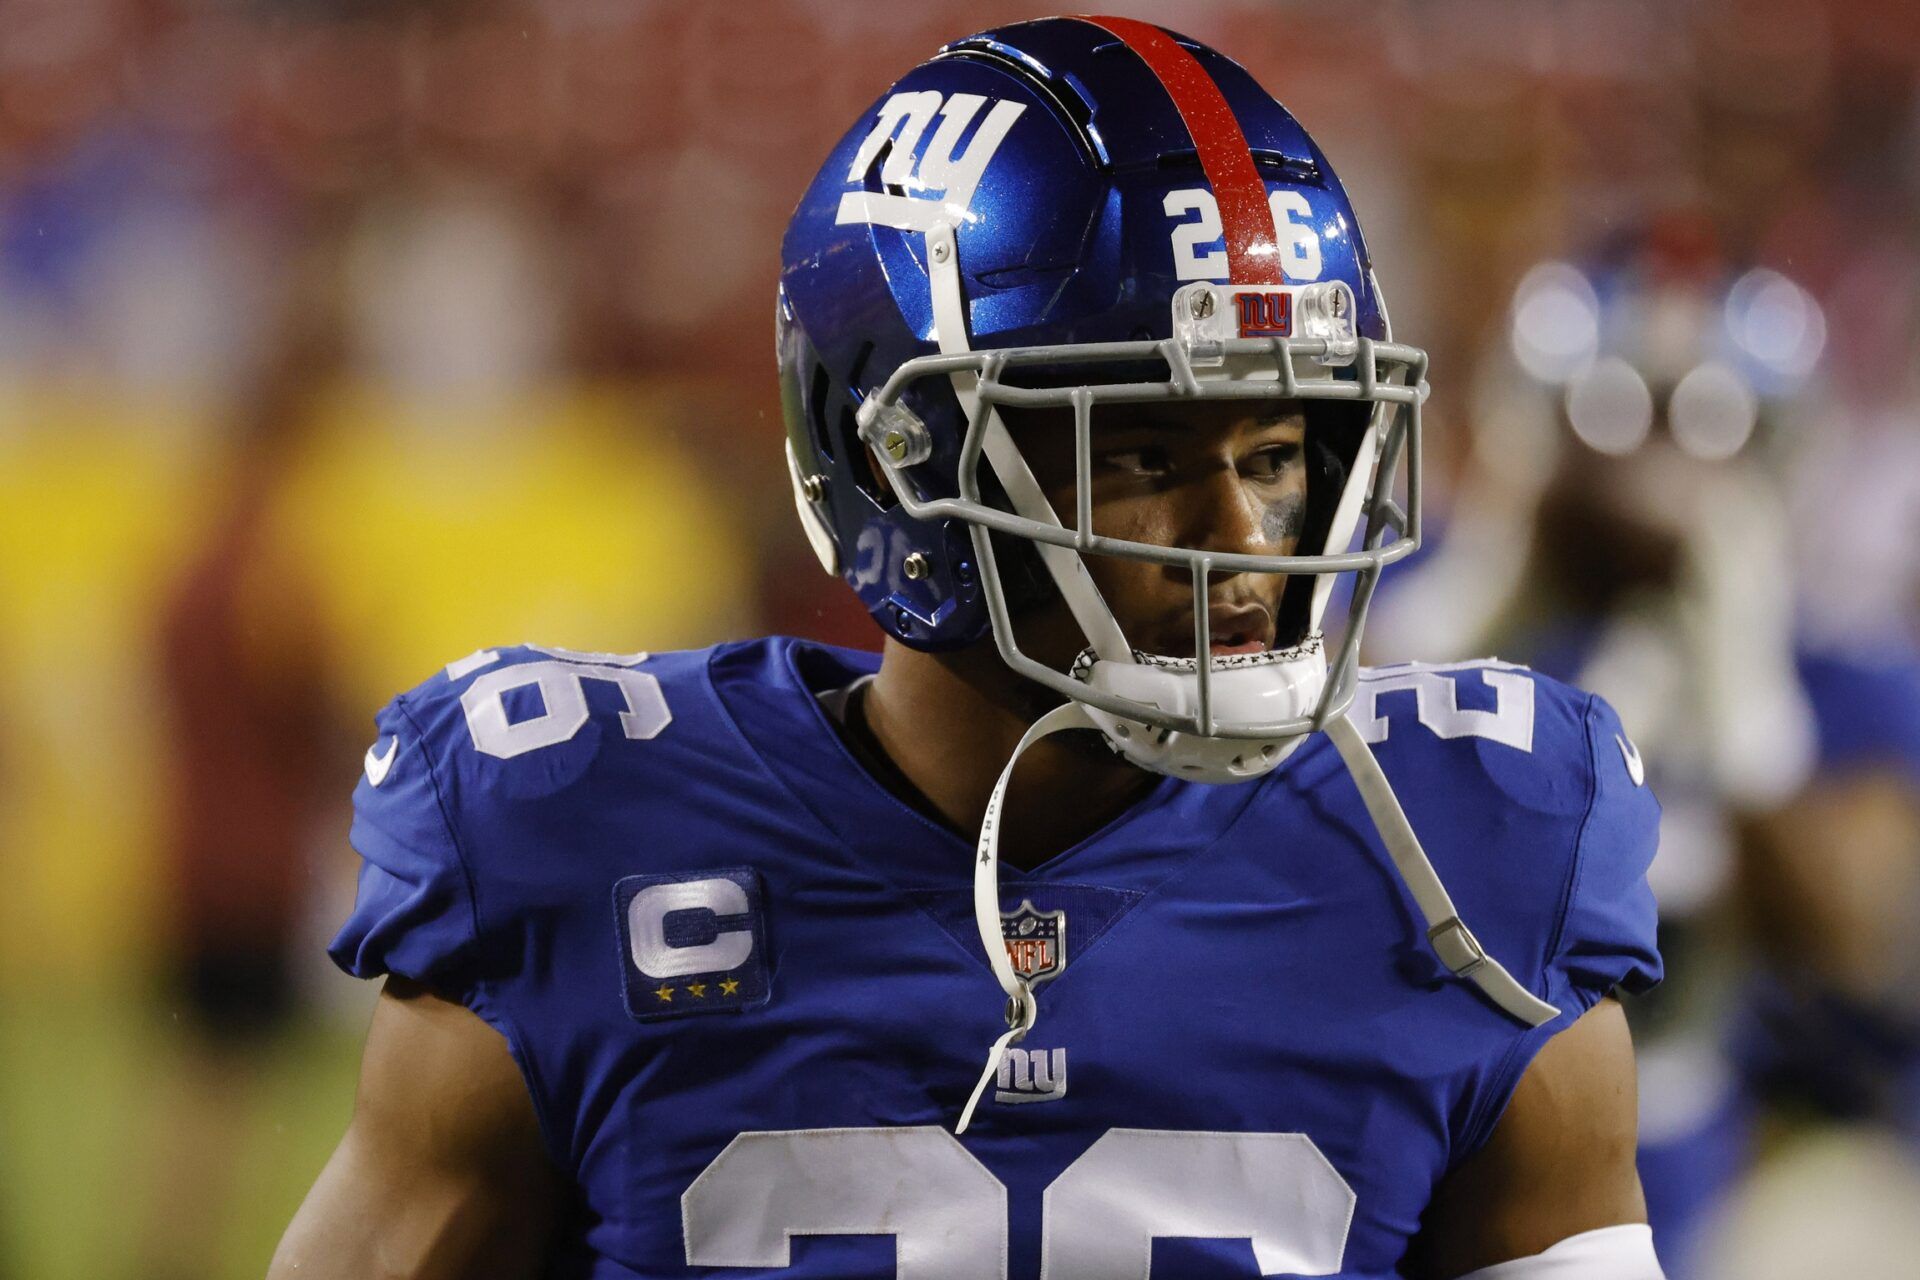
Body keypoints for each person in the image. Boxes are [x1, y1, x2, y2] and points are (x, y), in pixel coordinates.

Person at [270, 17, 1665, 1279]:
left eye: (1279, 448)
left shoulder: (1470, 866)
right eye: (1136, 450)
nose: (1241, 534)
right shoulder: (575, 840)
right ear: (894, 461)